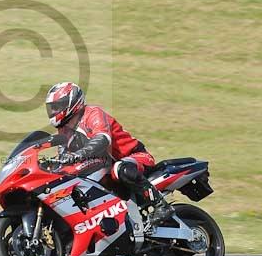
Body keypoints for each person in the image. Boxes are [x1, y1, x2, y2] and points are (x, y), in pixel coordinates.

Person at [45, 81, 173, 230]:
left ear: (71, 103)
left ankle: (161, 206)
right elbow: (63, 158)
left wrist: (77, 155)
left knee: (120, 168)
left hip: (135, 157)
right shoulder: (64, 129)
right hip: (105, 167)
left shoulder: (92, 113)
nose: (53, 111)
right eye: (51, 107)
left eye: (57, 106)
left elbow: (102, 139)